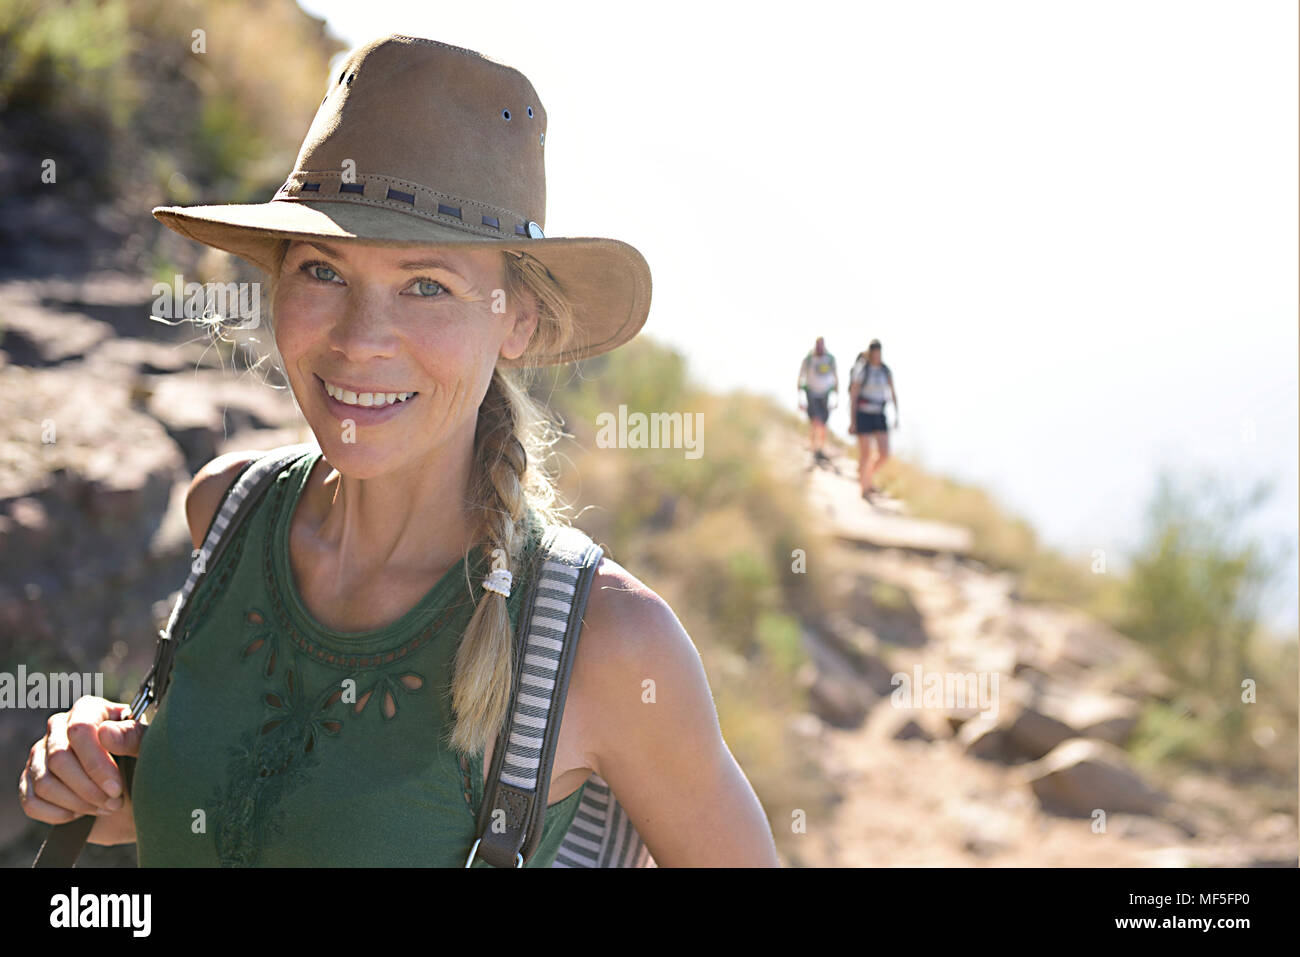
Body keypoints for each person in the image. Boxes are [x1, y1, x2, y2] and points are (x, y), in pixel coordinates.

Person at [17, 35, 779, 867]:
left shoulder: (611, 645)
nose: (360, 340)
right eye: (322, 271)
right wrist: (115, 784)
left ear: (517, 320)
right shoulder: (226, 511)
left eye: (427, 286)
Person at [847, 339, 899, 501]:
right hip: (863, 414)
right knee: (866, 453)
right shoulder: (863, 370)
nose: (877, 355)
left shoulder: (885, 370)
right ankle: (865, 488)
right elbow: (854, 396)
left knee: (884, 453)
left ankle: (866, 478)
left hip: (879, 413)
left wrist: (896, 414)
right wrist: (853, 421)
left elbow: (892, 392)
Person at [797, 336, 837, 463]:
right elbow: (800, 377)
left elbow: (836, 377)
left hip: (825, 394)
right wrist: (800, 398)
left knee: (823, 423)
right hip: (811, 393)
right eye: (818, 344)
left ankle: (821, 448)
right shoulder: (808, 359)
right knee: (815, 420)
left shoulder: (830, 359)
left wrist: (836, 397)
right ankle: (814, 448)